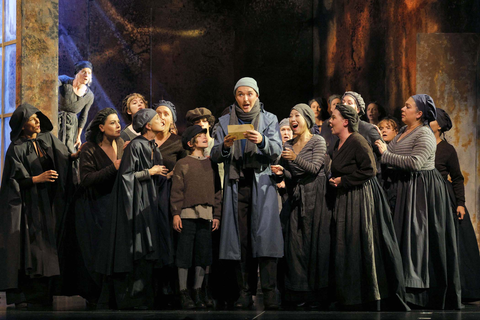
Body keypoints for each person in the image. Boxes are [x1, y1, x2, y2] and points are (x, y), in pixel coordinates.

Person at [375, 94, 461, 309]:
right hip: (404, 189)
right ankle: (400, 289)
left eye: (407, 106)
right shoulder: (404, 131)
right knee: (402, 238)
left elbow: (415, 163)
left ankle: (419, 294)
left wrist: (385, 154)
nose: (402, 109)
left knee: (417, 239)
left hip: (421, 190)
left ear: (419, 113)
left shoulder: (424, 134)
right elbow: (393, 151)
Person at [211, 77, 283, 310]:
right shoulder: (224, 121)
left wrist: (262, 141)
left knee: (265, 237)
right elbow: (213, 154)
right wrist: (224, 146)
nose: (245, 99)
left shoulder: (269, 119)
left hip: (261, 184)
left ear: (257, 96)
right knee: (240, 240)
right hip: (237, 183)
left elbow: (277, 150)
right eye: (241, 94)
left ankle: (270, 291)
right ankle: (245, 292)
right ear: (235, 97)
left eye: (250, 94)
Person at [0, 103, 78, 309]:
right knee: (29, 248)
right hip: (26, 206)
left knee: (46, 247)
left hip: (46, 202)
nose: (37, 121)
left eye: (37, 118)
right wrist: (37, 178)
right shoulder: (15, 149)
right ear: (22, 125)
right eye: (32, 119)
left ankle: (45, 293)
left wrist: (77, 155)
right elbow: (14, 180)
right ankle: (25, 294)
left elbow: (64, 157)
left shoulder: (47, 139)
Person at [329, 105, 407, 310]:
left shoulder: (357, 140)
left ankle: (366, 295)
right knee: (345, 244)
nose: (330, 121)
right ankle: (349, 295)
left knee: (359, 243)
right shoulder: (339, 142)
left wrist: (344, 180)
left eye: (334, 117)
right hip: (345, 197)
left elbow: (370, 170)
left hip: (360, 196)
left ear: (345, 121)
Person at [94, 108, 171, 310]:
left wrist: (162, 175)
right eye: (157, 118)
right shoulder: (136, 146)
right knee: (136, 249)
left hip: (149, 204)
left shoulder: (153, 146)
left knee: (148, 250)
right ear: (147, 125)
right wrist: (149, 172)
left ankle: (145, 297)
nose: (162, 120)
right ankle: (131, 299)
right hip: (135, 204)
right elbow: (126, 177)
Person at [61, 108, 124, 307]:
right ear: (102, 127)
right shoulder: (89, 147)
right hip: (92, 207)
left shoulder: (122, 144)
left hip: (113, 206)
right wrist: (112, 168)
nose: (118, 125)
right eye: (112, 122)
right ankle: (96, 295)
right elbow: (86, 179)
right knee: (95, 251)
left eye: (118, 122)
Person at [271, 104, 330, 307]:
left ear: (307, 118)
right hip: (297, 197)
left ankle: (317, 294)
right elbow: (292, 176)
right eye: (290, 115)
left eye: (297, 115)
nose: (292, 119)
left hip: (317, 196)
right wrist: (281, 172)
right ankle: (298, 292)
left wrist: (295, 158)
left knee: (315, 244)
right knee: (296, 245)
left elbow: (314, 168)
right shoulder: (288, 145)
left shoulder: (318, 141)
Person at [431, 108, 480, 301]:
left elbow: (457, 178)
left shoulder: (446, 149)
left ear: (440, 126)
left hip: (444, 198)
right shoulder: (420, 144)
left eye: (432, 118)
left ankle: (458, 288)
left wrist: (460, 203)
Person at [171, 125, 222, 309]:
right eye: (199, 136)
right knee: (184, 254)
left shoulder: (211, 163)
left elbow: (217, 191)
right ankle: (184, 292)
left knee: (203, 255)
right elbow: (176, 191)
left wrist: (216, 214)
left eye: (205, 135)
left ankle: (198, 291)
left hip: (207, 215)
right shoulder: (183, 163)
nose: (204, 138)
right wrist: (176, 214)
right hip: (187, 214)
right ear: (191, 142)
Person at [58, 60, 94, 153]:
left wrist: (78, 136)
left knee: (69, 152)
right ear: (77, 73)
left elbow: (83, 116)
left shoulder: (89, 95)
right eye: (84, 72)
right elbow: (51, 85)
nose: (86, 75)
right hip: (56, 120)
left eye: (89, 73)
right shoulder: (64, 80)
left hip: (71, 127)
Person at [153, 100, 187, 175]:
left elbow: (184, 169)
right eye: (158, 114)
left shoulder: (179, 143)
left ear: (172, 121)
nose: (161, 117)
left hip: (169, 185)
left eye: (166, 114)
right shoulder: (145, 141)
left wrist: (170, 174)